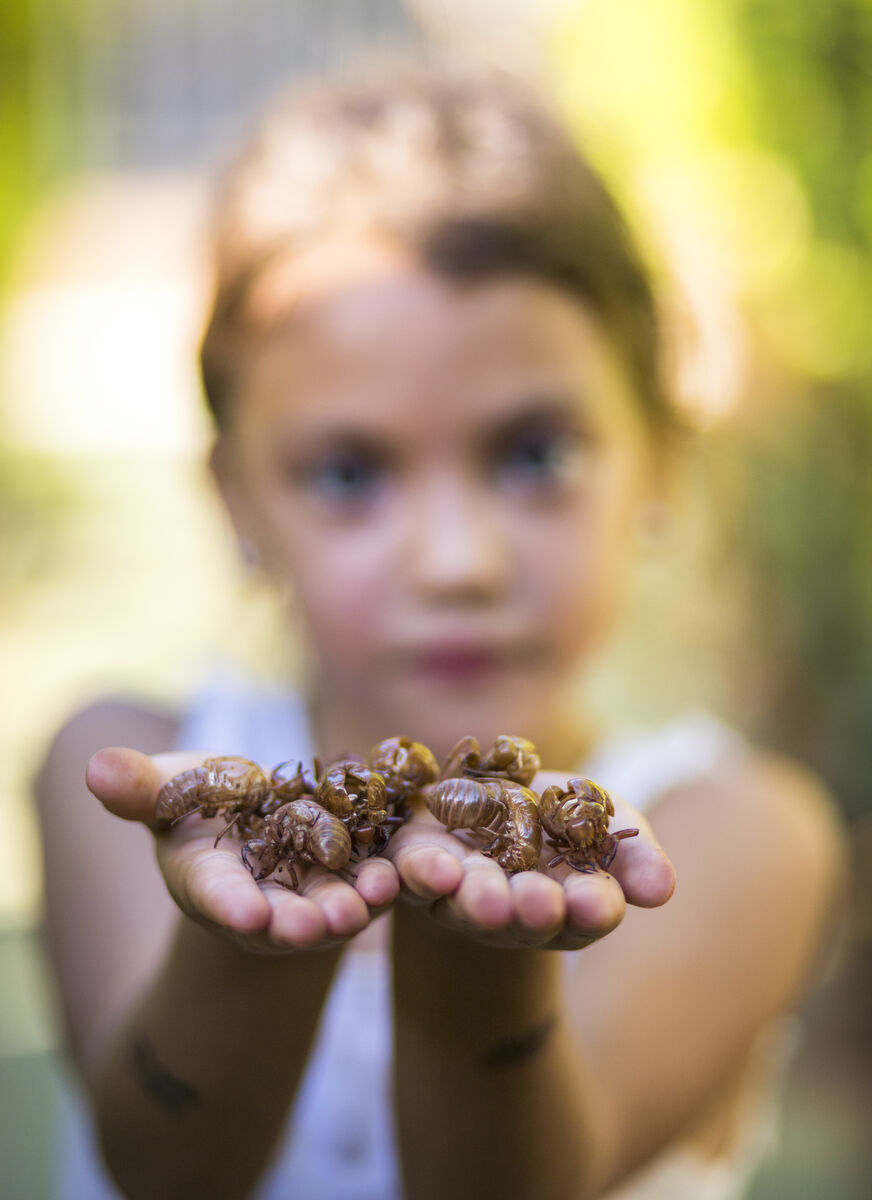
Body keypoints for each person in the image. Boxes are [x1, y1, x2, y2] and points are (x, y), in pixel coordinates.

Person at [36, 59, 843, 1200]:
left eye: (533, 455)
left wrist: (478, 958)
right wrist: (245, 941)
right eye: (350, 472)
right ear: (236, 500)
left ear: (659, 454)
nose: (456, 562)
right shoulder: (109, 773)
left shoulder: (739, 837)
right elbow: (164, 1168)